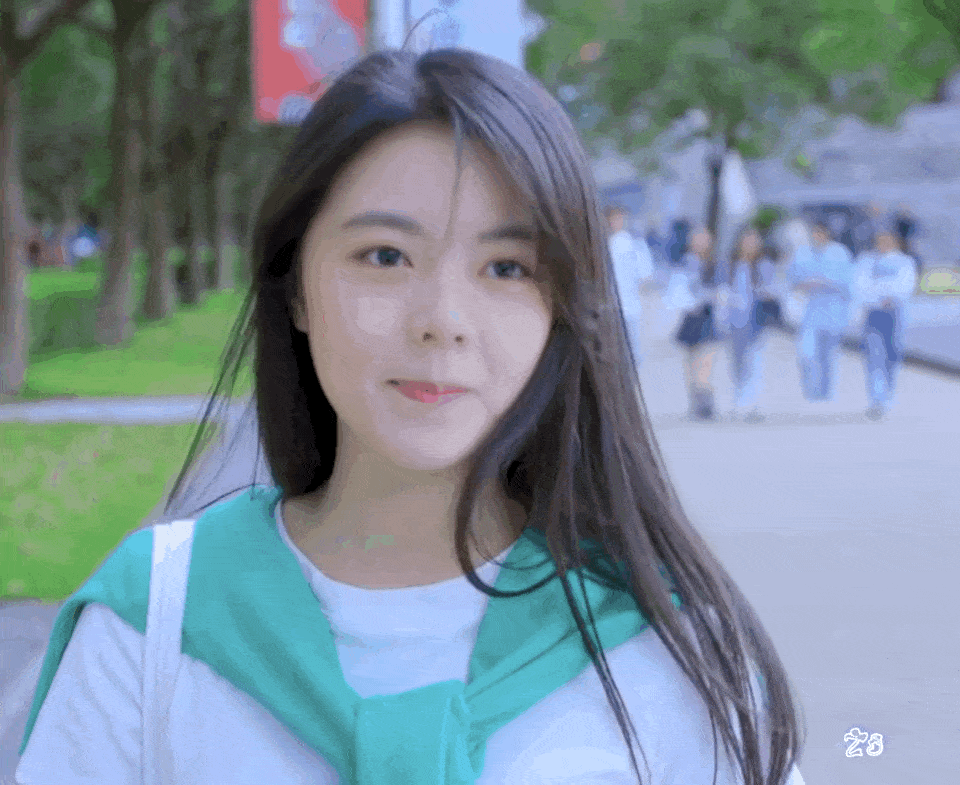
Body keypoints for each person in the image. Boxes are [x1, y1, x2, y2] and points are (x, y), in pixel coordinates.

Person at [16, 47, 806, 785]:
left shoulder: (665, 644)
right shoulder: (154, 620)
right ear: (295, 288)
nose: (442, 321)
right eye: (385, 256)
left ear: (561, 306)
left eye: (506, 267)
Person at [787, 219, 855, 402]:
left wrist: (826, 282)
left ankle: (825, 392)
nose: (817, 236)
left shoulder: (840, 253)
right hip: (810, 311)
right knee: (806, 353)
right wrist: (805, 283)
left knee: (827, 355)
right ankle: (810, 389)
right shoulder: (803, 253)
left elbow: (849, 282)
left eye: (820, 233)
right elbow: (792, 278)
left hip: (833, 311)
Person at [855, 227, 918, 420]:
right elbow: (860, 285)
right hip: (873, 314)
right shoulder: (866, 260)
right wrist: (877, 297)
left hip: (895, 314)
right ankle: (877, 399)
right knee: (874, 356)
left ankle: (888, 392)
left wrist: (888, 295)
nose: (883, 244)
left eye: (887, 240)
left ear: (895, 242)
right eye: (880, 240)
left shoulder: (904, 262)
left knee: (892, 355)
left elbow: (905, 286)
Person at [673, 227, 730, 421]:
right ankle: (695, 401)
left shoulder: (715, 264)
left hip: (708, 315)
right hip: (689, 317)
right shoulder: (684, 262)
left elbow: (722, 290)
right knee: (690, 361)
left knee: (705, 360)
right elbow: (676, 288)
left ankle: (705, 402)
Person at [726, 224, 778, 422]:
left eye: (754, 240)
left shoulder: (764, 265)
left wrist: (766, 292)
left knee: (755, 361)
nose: (751, 244)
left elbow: (774, 288)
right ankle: (740, 397)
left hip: (757, 320)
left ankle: (751, 402)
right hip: (734, 321)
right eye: (747, 240)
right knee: (738, 362)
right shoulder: (731, 265)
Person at [606, 204, 653, 369]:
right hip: (608, 307)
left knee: (631, 353)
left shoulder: (635, 244)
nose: (615, 222)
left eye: (619, 218)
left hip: (629, 306)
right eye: (612, 218)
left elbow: (645, 275)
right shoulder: (604, 244)